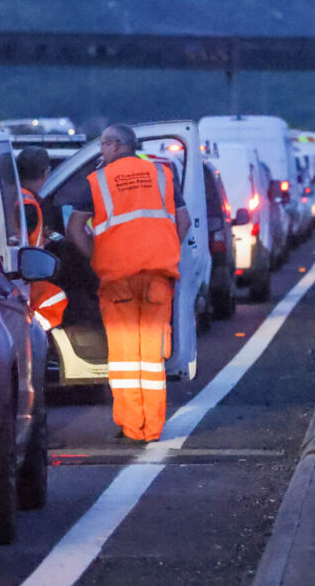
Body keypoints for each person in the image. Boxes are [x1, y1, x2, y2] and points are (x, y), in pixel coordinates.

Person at [65, 124, 188, 443]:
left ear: (115, 146)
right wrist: (164, 247)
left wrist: (97, 257)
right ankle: (153, 426)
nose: (102, 151)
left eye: (103, 145)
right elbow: (184, 221)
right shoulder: (162, 176)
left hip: (117, 277)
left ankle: (133, 426)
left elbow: (75, 229)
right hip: (158, 275)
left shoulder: (97, 181)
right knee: (151, 354)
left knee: (123, 356)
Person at [16, 146, 67, 331]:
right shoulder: (28, 204)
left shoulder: (14, 196)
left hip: (19, 274)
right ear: (46, 173)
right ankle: (33, 334)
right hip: (27, 278)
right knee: (57, 298)